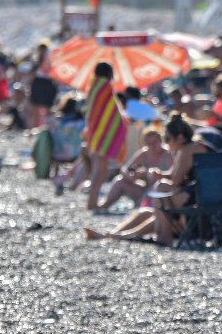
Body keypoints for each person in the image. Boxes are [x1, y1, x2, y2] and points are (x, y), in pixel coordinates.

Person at [83, 114, 215, 245]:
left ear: (180, 137)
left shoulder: (187, 150)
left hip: (199, 202)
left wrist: (159, 177)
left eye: (167, 138)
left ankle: (162, 237)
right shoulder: (195, 146)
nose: (166, 143)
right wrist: (159, 175)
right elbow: (175, 176)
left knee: (161, 187)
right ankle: (112, 235)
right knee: (145, 212)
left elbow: (175, 181)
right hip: (202, 198)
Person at [82, 62, 128, 211]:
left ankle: (92, 201)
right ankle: (92, 202)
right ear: (109, 73)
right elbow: (110, 110)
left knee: (98, 169)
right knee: (101, 171)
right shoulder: (105, 87)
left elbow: (98, 112)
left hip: (95, 133)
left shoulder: (93, 87)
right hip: (103, 135)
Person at [97, 128, 175, 211]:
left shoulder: (168, 154)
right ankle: (103, 206)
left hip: (161, 192)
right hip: (144, 190)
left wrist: (156, 174)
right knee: (119, 181)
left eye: (155, 142)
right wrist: (132, 176)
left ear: (161, 141)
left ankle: (140, 206)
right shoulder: (144, 154)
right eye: (149, 143)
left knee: (155, 183)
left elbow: (173, 175)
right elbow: (124, 169)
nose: (152, 146)